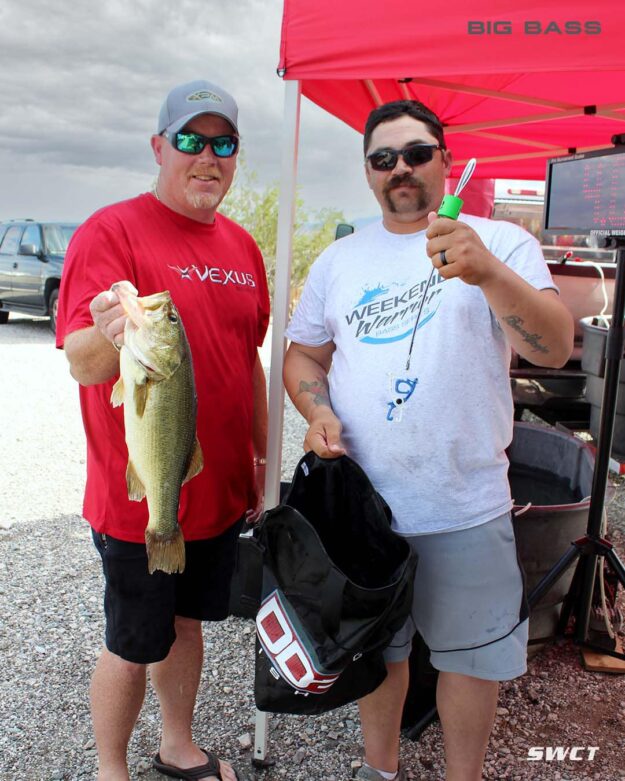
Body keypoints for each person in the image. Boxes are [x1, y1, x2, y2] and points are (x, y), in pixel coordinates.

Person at [283, 100, 574, 781]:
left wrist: (487, 275)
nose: (401, 169)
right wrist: (316, 408)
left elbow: (556, 345)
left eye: (416, 153)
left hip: (464, 502)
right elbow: (303, 356)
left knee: (470, 659)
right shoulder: (341, 258)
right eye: (384, 159)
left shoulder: (500, 243)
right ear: (367, 172)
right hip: (366, 508)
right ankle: (378, 768)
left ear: (446, 160)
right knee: (380, 651)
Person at [56, 79, 270, 781]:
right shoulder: (110, 231)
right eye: (189, 139)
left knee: (187, 624)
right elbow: (84, 363)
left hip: (215, 492)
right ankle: (109, 769)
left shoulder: (242, 246)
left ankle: (177, 746)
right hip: (141, 498)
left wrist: (263, 463)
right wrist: (106, 329)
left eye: (223, 143)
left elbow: (248, 361)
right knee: (131, 639)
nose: (206, 156)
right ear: (159, 146)